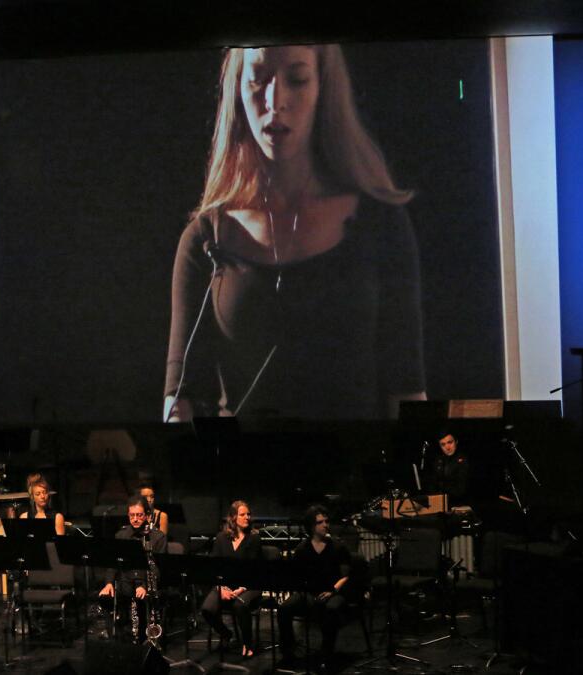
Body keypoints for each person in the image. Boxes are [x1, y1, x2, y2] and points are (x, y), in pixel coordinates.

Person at [164, 44, 426, 422]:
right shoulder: (207, 238)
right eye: (258, 79)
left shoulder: (380, 226)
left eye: (297, 79)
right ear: (238, 87)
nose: (275, 100)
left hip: (354, 476)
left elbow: (407, 393)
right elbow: (180, 405)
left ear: (324, 89)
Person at [278, 504, 351, 667]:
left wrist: (332, 591)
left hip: (334, 592)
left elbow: (346, 576)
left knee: (331, 608)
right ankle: (288, 653)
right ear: (311, 526)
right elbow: (296, 576)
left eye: (326, 521)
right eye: (320, 522)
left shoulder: (337, 546)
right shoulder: (302, 549)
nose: (326, 525)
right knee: (284, 609)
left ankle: (327, 654)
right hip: (310, 593)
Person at [98, 496, 166, 643]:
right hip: (124, 582)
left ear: (147, 516)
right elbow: (112, 562)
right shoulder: (121, 535)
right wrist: (108, 583)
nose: (135, 519)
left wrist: (144, 586)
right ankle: (117, 639)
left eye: (139, 515)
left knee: (141, 599)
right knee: (105, 598)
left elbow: (157, 568)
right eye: (132, 515)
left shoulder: (157, 537)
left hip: (146, 583)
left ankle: (142, 639)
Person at [201, 500, 261, 658]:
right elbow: (215, 567)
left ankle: (247, 643)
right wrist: (221, 588)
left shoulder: (254, 539)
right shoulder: (221, 538)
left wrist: (241, 588)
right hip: (224, 585)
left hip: (249, 585)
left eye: (248, 514)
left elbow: (254, 571)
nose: (247, 517)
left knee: (239, 605)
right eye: (242, 514)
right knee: (207, 609)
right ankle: (226, 633)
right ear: (233, 518)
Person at [431, 430, 469, 504]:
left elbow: (461, 490)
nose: (447, 447)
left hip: (460, 504)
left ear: (456, 442)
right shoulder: (439, 460)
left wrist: (441, 486)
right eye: (443, 444)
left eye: (450, 442)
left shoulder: (464, 460)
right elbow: (432, 484)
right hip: (440, 503)